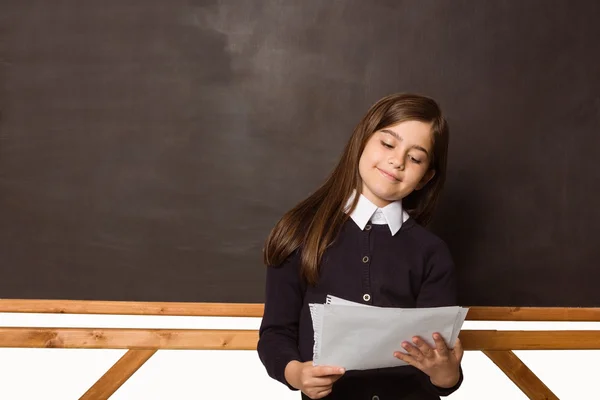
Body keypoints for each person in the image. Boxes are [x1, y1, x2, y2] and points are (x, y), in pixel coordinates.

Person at [257, 93, 463, 400]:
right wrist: (297, 373)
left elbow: (442, 365)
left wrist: (447, 375)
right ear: (362, 141)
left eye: (415, 158)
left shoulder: (431, 252)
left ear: (425, 177)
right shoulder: (300, 232)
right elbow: (275, 334)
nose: (397, 161)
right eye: (388, 143)